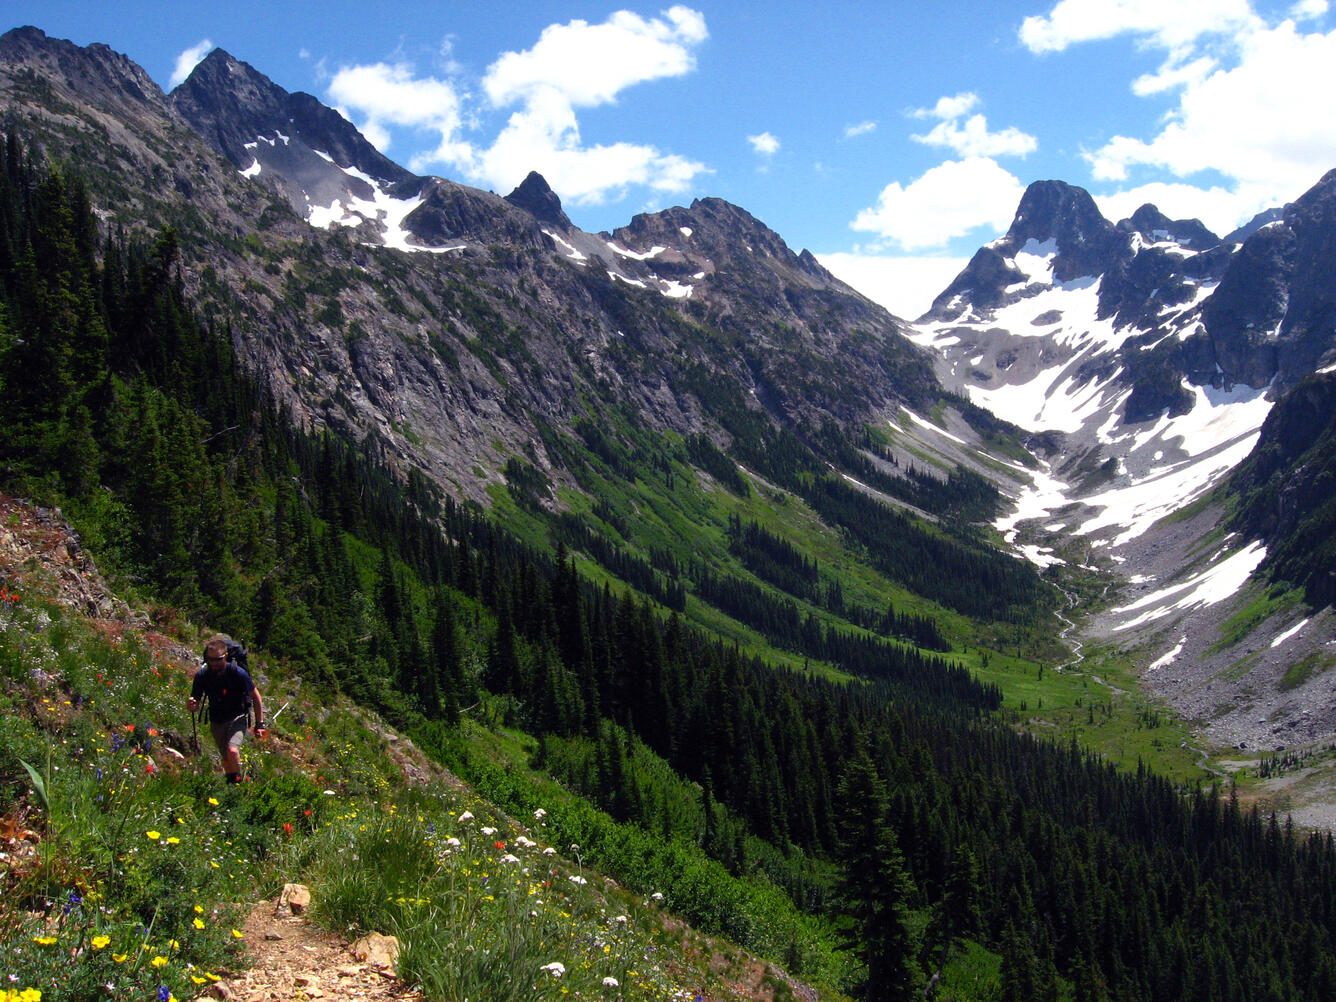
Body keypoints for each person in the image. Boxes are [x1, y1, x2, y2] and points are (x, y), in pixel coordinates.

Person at [187, 635, 265, 783]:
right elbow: (195, 699)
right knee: (226, 759)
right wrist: (192, 704)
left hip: (238, 717)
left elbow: (256, 696)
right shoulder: (203, 675)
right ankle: (232, 787)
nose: (214, 663)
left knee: (232, 751)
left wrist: (259, 724)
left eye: (218, 659)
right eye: (210, 659)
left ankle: (237, 785)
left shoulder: (238, 673)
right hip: (217, 720)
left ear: (226, 656)